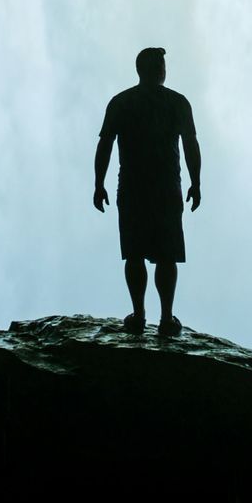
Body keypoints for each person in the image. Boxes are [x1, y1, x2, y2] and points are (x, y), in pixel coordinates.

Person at [93, 47, 201, 336]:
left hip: (135, 188)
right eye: (160, 65)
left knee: (137, 253)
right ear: (152, 69)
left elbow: (105, 144)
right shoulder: (177, 103)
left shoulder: (123, 102)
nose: (163, 69)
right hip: (163, 188)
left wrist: (99, 184)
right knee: (161, 255)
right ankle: (164, 318)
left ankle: (142, 315)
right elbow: (190, 144)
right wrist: (196, 183)